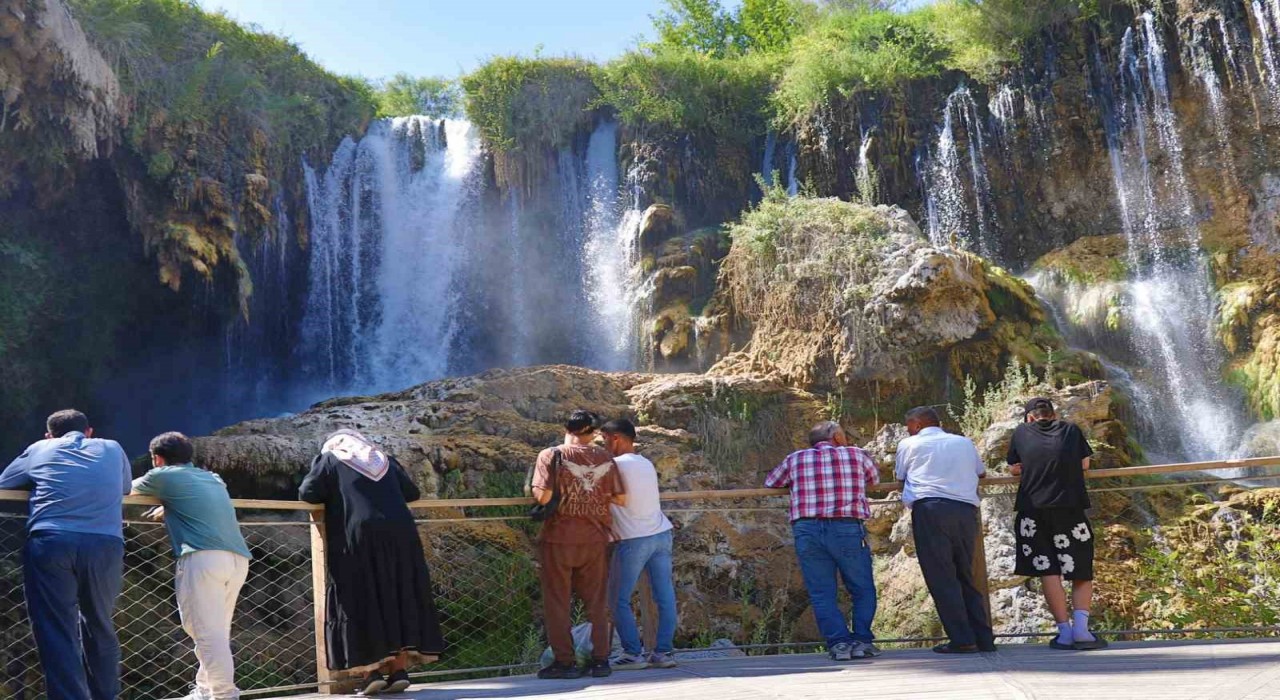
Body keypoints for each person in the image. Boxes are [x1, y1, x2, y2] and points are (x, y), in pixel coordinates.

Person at [299, 430, 444, 695]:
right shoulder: (384, 459)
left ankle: (371, 673)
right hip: (400, 534)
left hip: (359, 535)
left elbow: (307, 492)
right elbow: (411, 492)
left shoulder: (331, 460)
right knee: (398, 593)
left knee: (362, 596)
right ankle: (399, 670)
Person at [0, 409, 131, 700]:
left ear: (49, 435)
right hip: (105, 544)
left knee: (57, 628)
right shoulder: (113, 447)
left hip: (53, 541)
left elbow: (5, 482)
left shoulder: (39, 448)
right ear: (89, 432)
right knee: (100, 623)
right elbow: (124, 487)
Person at [131, 432, 253, 700]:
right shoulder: (213, 478)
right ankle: (206, 689)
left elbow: (123, 489)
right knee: (217, 629)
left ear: (157, 459)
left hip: (202, 558)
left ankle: (224, 694)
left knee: (205, 631)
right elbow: (198, 501)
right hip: (237, 558)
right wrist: (170, 505)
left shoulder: (161, 476)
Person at [765, 421, 881, 661]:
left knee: (821, 592)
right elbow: (874, 479)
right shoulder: (857, 454)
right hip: (847, 528)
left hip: (808, 529)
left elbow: (772, 482)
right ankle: (861, 641)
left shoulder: (795, 458)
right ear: (836, 436)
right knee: (862, 588)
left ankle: (838, 644)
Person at [531, 410, 626, 680]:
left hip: (559, 538)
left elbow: (542, 496)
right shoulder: (606, 458)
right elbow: (620, 498)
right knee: (597, 602)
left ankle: (565, 663)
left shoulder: (551, 455)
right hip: (595, 539)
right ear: (593, 432)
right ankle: (600, 661)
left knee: (558, 602)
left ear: (567, 428)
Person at [1007, 398, 1106, 651]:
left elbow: (1013, 469)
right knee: (1080, 567)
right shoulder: (1071, 430)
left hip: (1033, 511)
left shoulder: (1020, 432)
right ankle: (1082, 632)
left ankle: (1063, 634)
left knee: (1048, 570)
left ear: (1029, 418)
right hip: (1069, 509)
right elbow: (1085, 464)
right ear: (1054, 414)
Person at [894, 407, 995, 654]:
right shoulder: (963, 442)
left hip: (930, 511)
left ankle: (962, 639)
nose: (908, 430)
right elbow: (981, 473)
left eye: (909, 425)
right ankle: (984, 638)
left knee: (942, 576)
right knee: (965, 575)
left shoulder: (909, 444)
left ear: (917, 424)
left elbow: (900, 477)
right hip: (965, 512)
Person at [600, 418, 677, 671]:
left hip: (634, 538)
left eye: (604, 440)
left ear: (616, 439)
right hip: (661, 534)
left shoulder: (613, 465)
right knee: (664, 596)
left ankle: (633, 654)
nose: (603, 446)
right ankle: (663, 653)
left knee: (617, 598)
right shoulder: (646, 462)